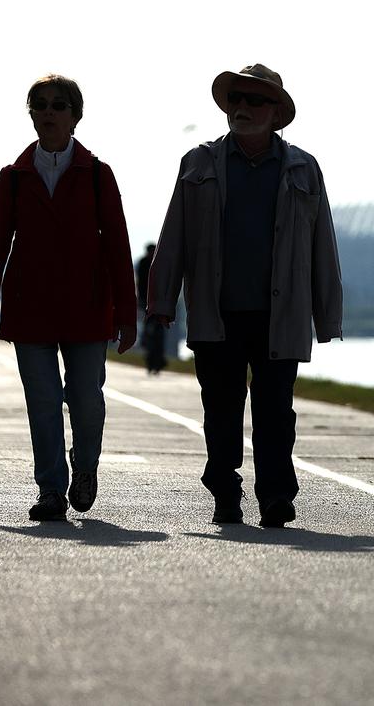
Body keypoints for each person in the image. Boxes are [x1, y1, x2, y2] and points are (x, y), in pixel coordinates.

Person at [146, 64, 342, 528]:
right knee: (221, 410)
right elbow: (173, 234)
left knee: (276, 412)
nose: (243, 108)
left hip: (281, 313)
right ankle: (225, 492)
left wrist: (327, 316)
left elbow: (322, 246)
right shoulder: (198, 164)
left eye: (255, 101)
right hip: (217, 313)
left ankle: (275, 495)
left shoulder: (302, 168)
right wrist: (160, 300)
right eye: (237, 99)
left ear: (276, 113)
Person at [0, 74, 137, 521]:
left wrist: (127, 313)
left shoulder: (98, 175)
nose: (48, 112)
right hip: (30, 310)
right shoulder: (15, 178)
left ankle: (85, 467)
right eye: (39, 105)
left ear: (75, 116)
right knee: (42, 402)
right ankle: (50, 490)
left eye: (58, 105)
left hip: (87, 308)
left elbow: (118, 246)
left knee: (85, 398)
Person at [135, 243, 167, 375]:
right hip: (146, 304)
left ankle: (157, 363)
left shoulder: (159, 263)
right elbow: (141, 285)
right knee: (149, 335)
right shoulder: (143, 264)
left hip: (159, 304)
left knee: (158, 336)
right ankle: (151, 362)